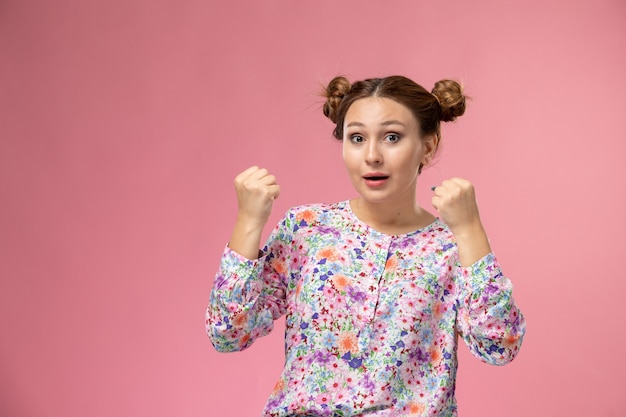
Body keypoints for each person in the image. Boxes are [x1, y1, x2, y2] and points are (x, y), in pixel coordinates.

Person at [205, 75, 526, 416]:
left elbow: (499, 345)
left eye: (392, 137)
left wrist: (471, 230)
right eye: (357, 138)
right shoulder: (308, 229)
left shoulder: (451, 248)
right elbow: (229, 334)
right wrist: (249, 222)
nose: (371, 155)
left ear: (428, 146)